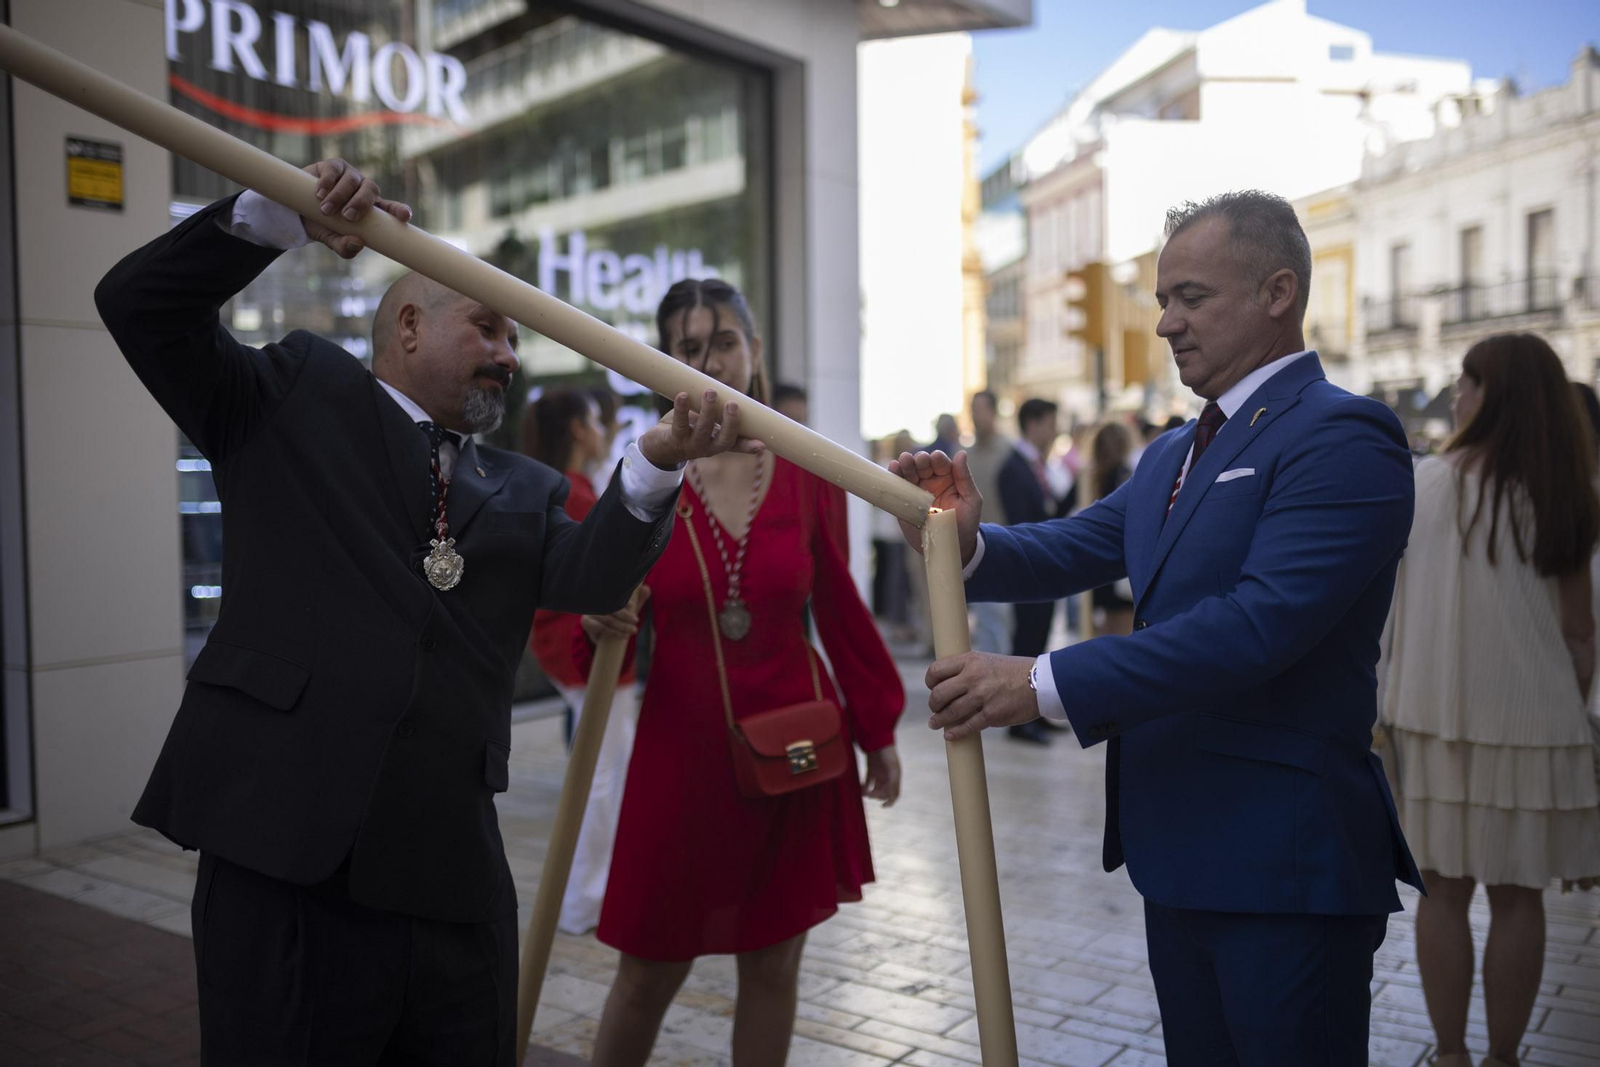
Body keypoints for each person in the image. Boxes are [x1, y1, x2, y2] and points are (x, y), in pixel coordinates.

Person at [97, 158, 758, 1064]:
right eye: (487, 327)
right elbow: (139, 306)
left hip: (451, 884)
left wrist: (656, 458)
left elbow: (591, 577)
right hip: (283, 861)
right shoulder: (290, 394)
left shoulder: (522, 487)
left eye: (515, 338)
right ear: (409, 324)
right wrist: (271, 216)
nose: (508, 354)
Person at [890, 190, 1422, 1065]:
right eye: (1162, 297)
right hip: (1175, 854)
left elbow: (1255, 625)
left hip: (1284, 866)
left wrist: (1037, 683)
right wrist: (963, 538)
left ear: (1278, 291)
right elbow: (1076, 546)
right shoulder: (1175, 449)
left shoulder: (1345, 435)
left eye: (1192, 297)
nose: (1168, 322)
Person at [576, 278, 904, 1067]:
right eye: (687, 348)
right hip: (680, 751)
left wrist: (878, 726)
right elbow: (584, 601)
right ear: (661, 365)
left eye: (723, 341)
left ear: (755, 351)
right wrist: (594, 614)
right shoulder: (648, 476)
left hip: (797, 749)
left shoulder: (807, 465)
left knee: (773, 964)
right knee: (646, 970)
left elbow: (838, 600)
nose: (709, 361)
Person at [1383, 335, 1600, 1067]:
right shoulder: (1565, 492)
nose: (1455, 396)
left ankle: (1450, 1054)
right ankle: (1506, 1057)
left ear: (1492, 394)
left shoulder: (1424, 484)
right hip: (1537, 723)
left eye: (1466, 382)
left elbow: (1388, 607)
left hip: (1433, 716)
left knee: (1442, 893)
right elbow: (1579, 637)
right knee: (1519, 897)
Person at [522, 389, 640, 935]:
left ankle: (591, 895)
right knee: (603, 774)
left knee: (601, 769)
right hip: (587, 643)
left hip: (576, 642)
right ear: (575, 428)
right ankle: (586, 900)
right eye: (596, 419)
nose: (603, 429)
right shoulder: (572, 491)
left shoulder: (566, 485)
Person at [997, 397, 1067, 744]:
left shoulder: (1038, 465)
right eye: (1051, 423)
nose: (1055, 431)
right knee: (1025, 643)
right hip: (1027, 569)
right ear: (1033, 424)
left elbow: (1048, 511)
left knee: (1038, 643)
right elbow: (1025, 523)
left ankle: (1035, 713)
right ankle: (1020, 719)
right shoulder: (1013, 468)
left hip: (1043, 569)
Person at [963, 390, 1013, 656]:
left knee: (999, 621)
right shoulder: (965, 455)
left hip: (1004, 544)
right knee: (984, 624)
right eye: (972, 409)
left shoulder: (1008, 452)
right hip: (974, 548)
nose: (974, 415)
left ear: (993, 411)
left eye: (979, 409)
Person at [1088, 422, 1137, 637]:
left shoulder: (1091, 477)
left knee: (1107, 630)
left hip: (1097, 561)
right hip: (1122, 561)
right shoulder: (1128, 475)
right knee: (1125, 630)